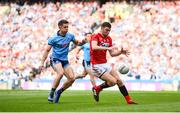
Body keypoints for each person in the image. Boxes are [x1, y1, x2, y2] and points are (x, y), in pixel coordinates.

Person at [90, 22, 137, 104]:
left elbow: (112, 54)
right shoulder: (95, 36)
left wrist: (120, 52)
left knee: (119, 80)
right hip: (96, 65)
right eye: (106, 30)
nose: (107, 32)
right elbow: (94, 47)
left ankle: (129, 100)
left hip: (105, 63)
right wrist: (108, 47)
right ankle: (97, 88)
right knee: (113, 82)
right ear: (101, 28)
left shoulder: (109, 39)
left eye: (109, 31)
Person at [40, 19, 84, 104]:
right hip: (55, 59)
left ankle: (59, 92)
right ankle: (52, 93)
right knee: (60, 73)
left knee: (72, 78)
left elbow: (77, 43)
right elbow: (47, 51)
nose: (67, 29)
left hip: (64, 61)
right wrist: (42, 63)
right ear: (59, 27)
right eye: (65, 27)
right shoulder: (53, 38)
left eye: (67, 27)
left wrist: (83, 42)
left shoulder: (70, 36)